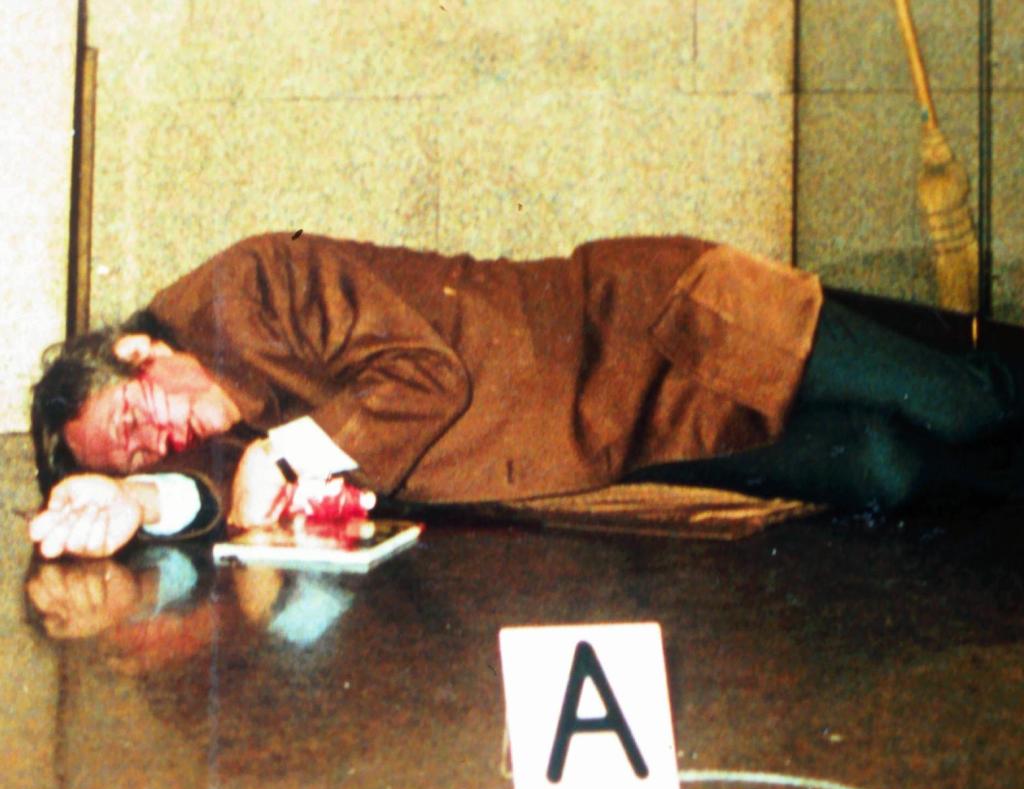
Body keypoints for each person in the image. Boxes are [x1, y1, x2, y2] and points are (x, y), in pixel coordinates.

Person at [27, 231, 1024, 559]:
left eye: (135, 417)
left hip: (658, 321)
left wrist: (287, 453)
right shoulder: (212, 418)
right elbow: (206, 491)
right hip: (637, 437)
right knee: (886, 473)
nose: (160, 436)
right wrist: (129, 498)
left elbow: (423, 376)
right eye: (139, 449)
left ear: (139, 350)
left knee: (964, 399)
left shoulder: (249, 288)